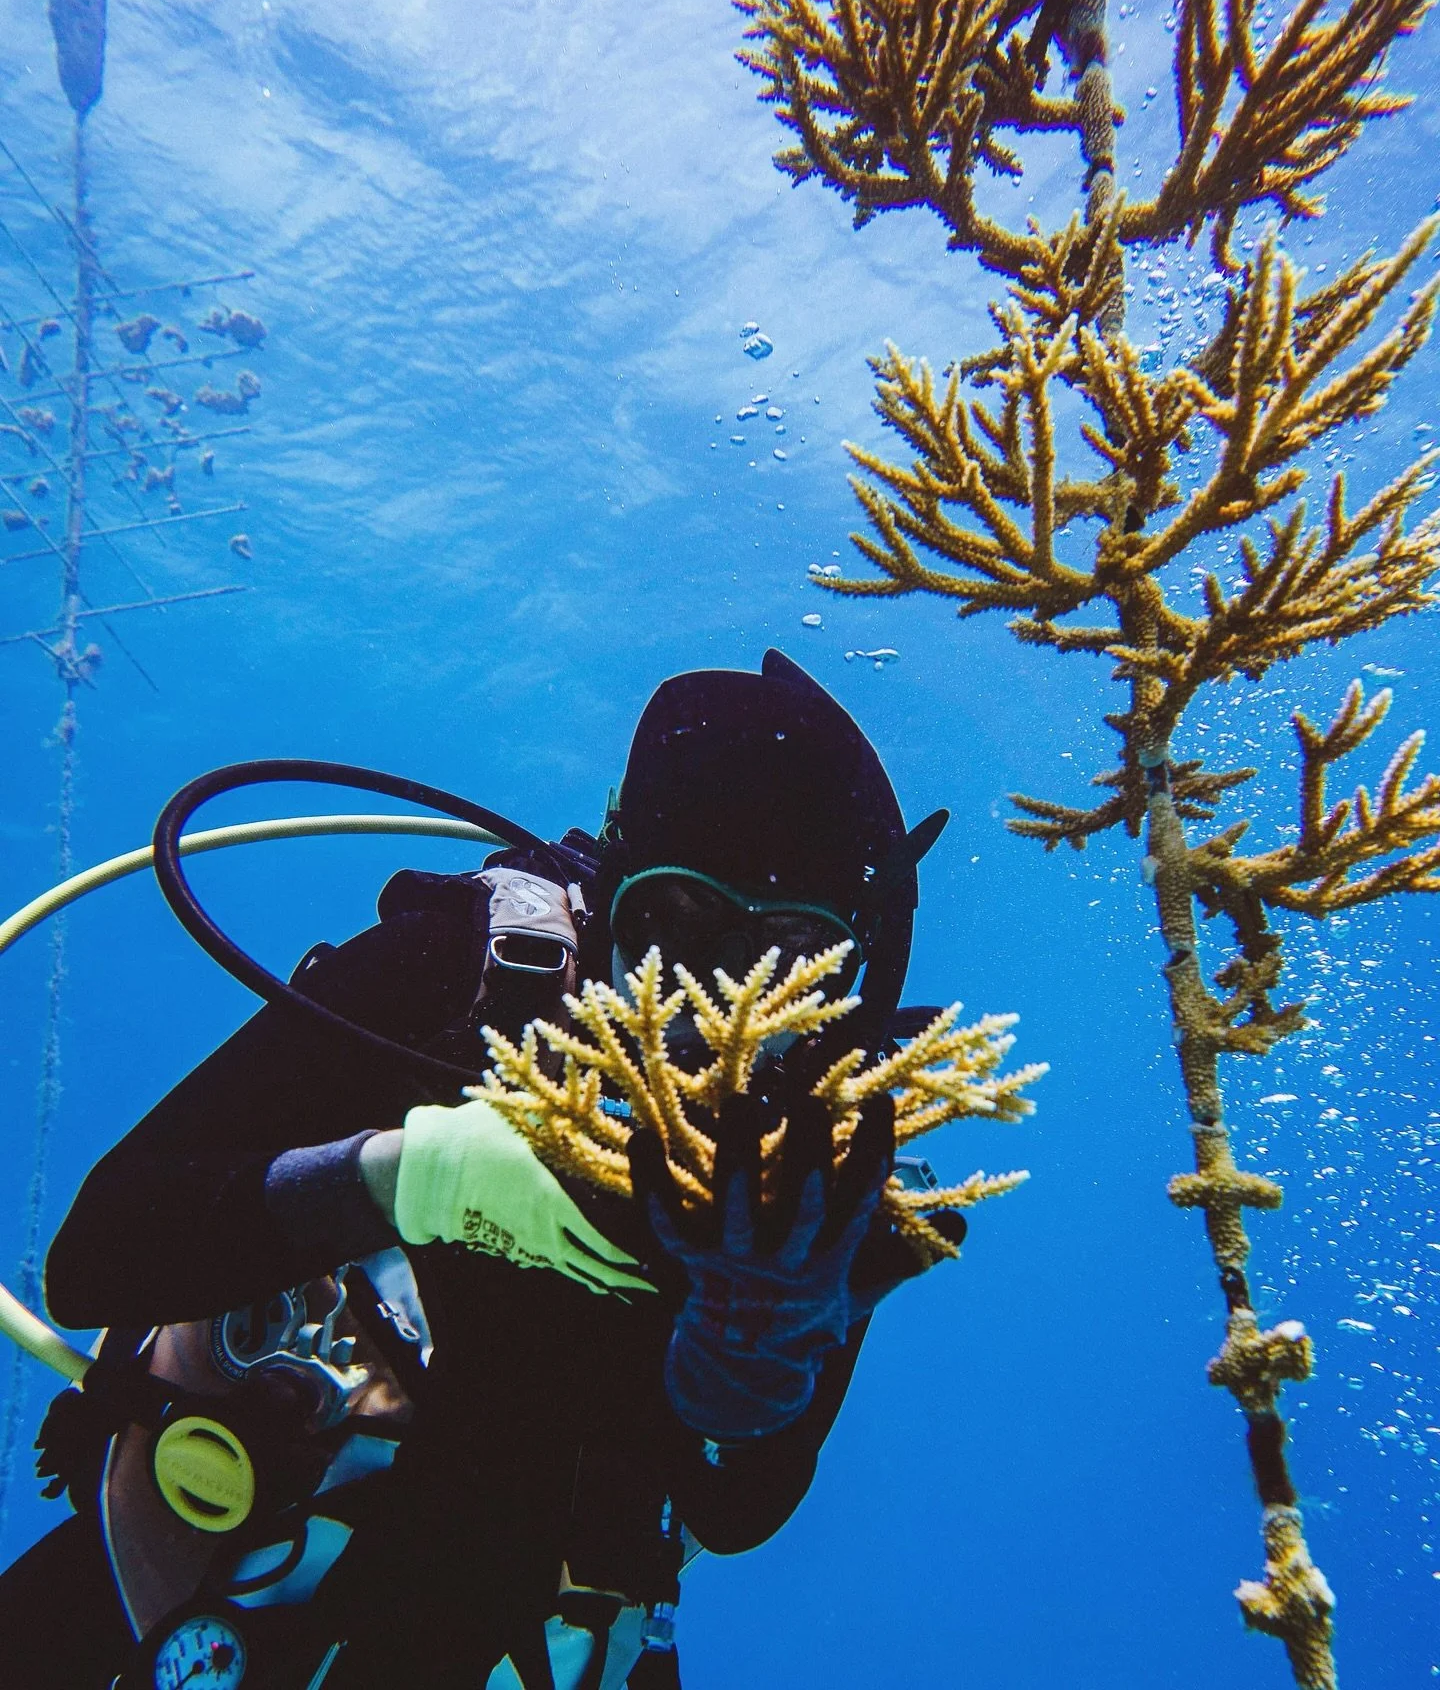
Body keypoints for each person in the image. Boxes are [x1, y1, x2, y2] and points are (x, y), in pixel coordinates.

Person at [0, 650, 960, 1690]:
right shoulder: (464, 982)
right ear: (612, 894)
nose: (711, 1002)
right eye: (675, 925)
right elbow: (95, 1258)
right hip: (203, 1578)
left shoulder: (819, 1160)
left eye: (785, 954)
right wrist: (407, 1175)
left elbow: (736, 1514)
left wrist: (750, 1386)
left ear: (850, 979)